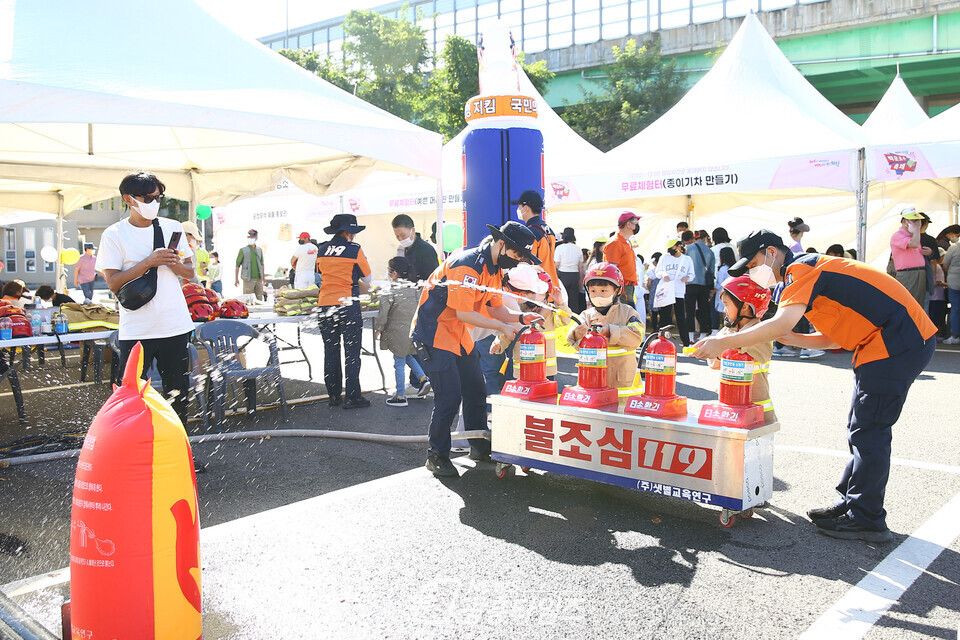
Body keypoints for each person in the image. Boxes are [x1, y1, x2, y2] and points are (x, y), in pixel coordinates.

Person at [694, 229, 936, 543]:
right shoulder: (804, 281)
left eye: (753, 263)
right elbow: (832, 337)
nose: (754, 273)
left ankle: (867, 517)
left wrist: (722, 341)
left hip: (896, 342)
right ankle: (851, 503)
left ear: (771, 252)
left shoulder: (801, 269)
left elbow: (781, 323)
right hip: (888, 344)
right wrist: (791, 338)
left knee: (870, 429)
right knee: (861, 427)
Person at [412, 221, 544, 478]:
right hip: (434, 334)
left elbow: (496, 308)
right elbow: (464, 313)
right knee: (449, 396)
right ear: (502, 244)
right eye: (517, 254)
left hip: (458, 336)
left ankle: (479, 446)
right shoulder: (467, 264)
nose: (518, 261)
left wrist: (519, 319)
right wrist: (502, 328)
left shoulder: (494, 270)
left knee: (476, 390)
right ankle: (436, 455)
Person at [97, 171, 195, 423]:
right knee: (129, 395)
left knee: (178, 395)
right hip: (137, 328)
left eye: (158, 198)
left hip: (175, 324)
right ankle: (131, 455)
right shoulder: (114, 234)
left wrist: (173, 264)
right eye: (149, 198)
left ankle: (178, 454)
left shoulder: (172, 227)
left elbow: (190, 272)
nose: (155, 203)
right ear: (128, 199)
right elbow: (113, 281)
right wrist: (148, 262)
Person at [317, 214, 372, 410]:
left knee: (330, 351)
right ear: (348, 233)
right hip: (347, 306)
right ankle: (353, 396)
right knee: (352, 352)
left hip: (325, 306)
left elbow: (320, 275)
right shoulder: (354, 250)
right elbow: (368, 278)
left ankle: (333, 395)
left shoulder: (322, 249)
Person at [567, 262, 644, 404]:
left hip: (624, 388)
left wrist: (610, 330)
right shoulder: (585, 315)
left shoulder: (628, 312)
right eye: (593, 291)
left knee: (623, 421)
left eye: (603, 291)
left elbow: (637, 336)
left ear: (617, 291)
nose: (598, 295)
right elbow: (572, 340)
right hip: (592, 382)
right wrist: (579, 333)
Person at [709, 276, 776, 424]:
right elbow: (714, 364)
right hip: (729, 407)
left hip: (758, 412)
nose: (724, 310)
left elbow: (749, 346)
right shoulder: (727, 330)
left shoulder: (762, 332)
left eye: (726, 304)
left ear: (745, 306)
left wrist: (721, 344)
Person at [492, 264, 570, 383]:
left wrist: (560, 303)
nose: (534, 297)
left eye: (538, 293)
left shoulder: (552, 310)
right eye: (530, 293)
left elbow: (565, 320)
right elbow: (509, 332)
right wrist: (499, 343)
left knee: (544, 398)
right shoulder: (517, 311)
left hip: (546, 369)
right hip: (522, 368)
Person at [377, 256, 430, 407]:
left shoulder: (390, 289)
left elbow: (383, 311)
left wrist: (379, 328)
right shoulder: (413, 288)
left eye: (389, 270)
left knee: (398, 362)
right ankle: (423, 379)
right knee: (405, 355)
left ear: (394, 273)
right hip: (411, 330)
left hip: (396, 330)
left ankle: (400, 396)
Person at [513, 190, 560, 288]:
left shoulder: (530, 232)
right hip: (552, 283)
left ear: (526, 208)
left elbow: (527, 264)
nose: (518, 209)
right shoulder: (547, 229)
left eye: (519, 206)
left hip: (539, 288)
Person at [655, 238, 694, 346]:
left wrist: (686, 278)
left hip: (679, 291)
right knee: (664, 316)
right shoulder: (664, 257)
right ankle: (660, 341)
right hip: (666, 290)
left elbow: (692, 275)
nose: (671, 250)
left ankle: (686, 342)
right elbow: (657, 271)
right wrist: (663, 274)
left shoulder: (687, 259)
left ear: (679, 246)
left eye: (673, 247)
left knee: (680, 317)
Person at [682, 229, 716, 341]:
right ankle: (703, 334)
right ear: (705, 238)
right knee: (703, 310)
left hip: (690, 283)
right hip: (704, 285)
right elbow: (711, 270)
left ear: (695, 237)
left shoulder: (688, 249)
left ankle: (690, 335)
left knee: (690, 310)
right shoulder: (710, 251)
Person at [890, 207, 927, 306]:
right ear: (904, 221)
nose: (916, 224)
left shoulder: (912, 236)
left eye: (917, 221)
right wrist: (916, 230)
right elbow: (913, 244)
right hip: (908, 273)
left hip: (919, 272)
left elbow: (916, 250)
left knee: (918, 304)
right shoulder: (898, 236)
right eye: (913, 221)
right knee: (909, 304)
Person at [603, 212, 640, 305]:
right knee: (627, 316)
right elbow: (611, 269)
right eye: (636, 223)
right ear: (629, 224)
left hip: (628, 286)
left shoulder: (626, 242)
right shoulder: (615, 242)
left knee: (629, 315)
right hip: (622, 287)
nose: (638, 225)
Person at [392, 214, 439, 282]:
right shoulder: (402, 249)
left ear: (413, 230)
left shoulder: (426, 250)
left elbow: (433, 278)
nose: (400, 239)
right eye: (397, 236)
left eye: (403, 235)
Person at [554, 227, 584, 314]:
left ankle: (564, 317)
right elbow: (581, 266)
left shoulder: (559, 248)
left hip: (563, 275)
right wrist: (581, 280)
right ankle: (575, 318)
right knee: (574, 299)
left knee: (563, 298)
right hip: (575, 275)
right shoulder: (578, 248)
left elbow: (557, 264)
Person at [235, 229, 265, 301]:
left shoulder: (259, 250)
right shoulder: (243, 250)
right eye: (249, 237)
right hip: (248, 278)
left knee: (259, 298)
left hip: (258, 279)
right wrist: (236, 279)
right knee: (248, 299)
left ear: (256, 237)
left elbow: (262, 264)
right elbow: (237, 265)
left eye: (253, 237)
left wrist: (263, 277)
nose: (251, 239)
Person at [942, 239, 960, 344]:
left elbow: (945, 265)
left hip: (954, 282)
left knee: (955, 309)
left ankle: (955, 335)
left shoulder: (953, 248)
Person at [714, 247, 736, 332]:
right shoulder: (736, 268)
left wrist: (712, 292)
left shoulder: (723, 269)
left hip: (724, 293)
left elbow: (719, 283)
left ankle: (727, 331)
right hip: (734, 293)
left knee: (725, 313)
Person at [928, 248, 948, 335]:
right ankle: (933, 335)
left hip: (931, 295)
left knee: (931, 316)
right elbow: (938, 282)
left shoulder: (930, 266)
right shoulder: (938, 267)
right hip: (938, 296)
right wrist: (947, 284)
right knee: (935, 317)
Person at [181, 221, 208, 286]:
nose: (191, 240)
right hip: (185, 288)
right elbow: (190, 274)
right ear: (185, 234)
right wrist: (200, 286)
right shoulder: (187, 250)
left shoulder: (174, 248)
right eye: (192, 237)